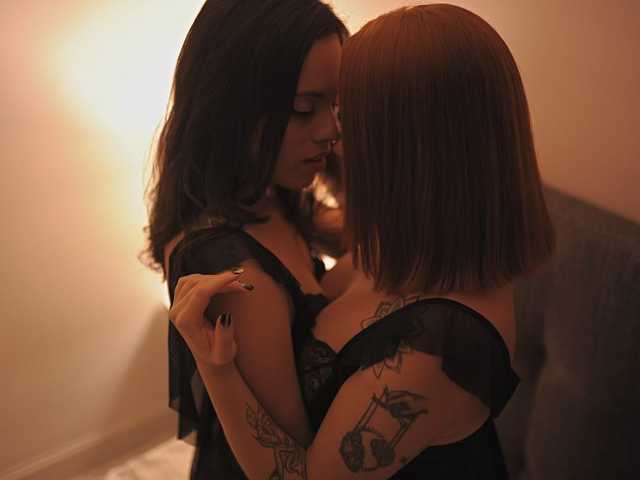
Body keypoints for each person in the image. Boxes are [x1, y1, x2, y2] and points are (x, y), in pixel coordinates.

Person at [169, 3, 557, 479]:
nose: (334, 133)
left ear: (407, 150)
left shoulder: (435, 348)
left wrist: (216, 368)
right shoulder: (409, 249)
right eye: (312, 109)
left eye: (345, 113)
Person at [142, 1, 349, 478]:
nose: (332, 130)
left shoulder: (268, 195)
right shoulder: (234, 271)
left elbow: (374, 241)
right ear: (230, 108)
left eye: (336, 105)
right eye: (303, 109)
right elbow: (293, 469)